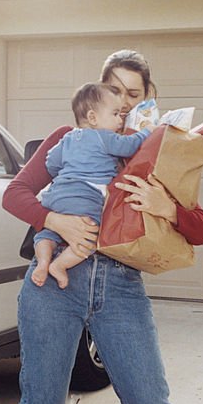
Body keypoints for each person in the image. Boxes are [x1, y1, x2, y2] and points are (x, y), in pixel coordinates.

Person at [0, 49, 203, 404]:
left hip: (121, 288)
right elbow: (17, 193)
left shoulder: (157, 150)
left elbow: (202, 229)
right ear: (100, 92)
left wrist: (167, 207)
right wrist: (56, 221)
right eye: (116, 90)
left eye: (135, 94)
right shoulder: (70, 139)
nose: (125, 101)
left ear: (148, 98)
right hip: (54, 283)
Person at [32, 82, 150, 289]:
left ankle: (42, 261)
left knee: (47, 234)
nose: (120, 120)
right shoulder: (104, 137)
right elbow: (130, 146)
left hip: (57, 195)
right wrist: (147, 132)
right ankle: (59, 266)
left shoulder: (68, 138)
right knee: (91, 235)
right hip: (85, 196)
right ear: (93, 118)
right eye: (115, 114)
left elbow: (51, 163)